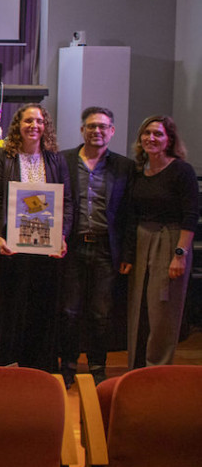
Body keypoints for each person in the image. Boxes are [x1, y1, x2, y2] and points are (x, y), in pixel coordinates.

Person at [0, 103, 72, 371]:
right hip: (13, 245)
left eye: (39, 121)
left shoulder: (56, 159)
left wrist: (62, 235)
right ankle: (11, 364)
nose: (34, 126)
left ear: (45, 126)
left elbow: (67, 201)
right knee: (14, 305)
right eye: (28, 121)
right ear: (17, 125)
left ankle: (42, 366)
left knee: (44, 305)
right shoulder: (4, 157)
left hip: (47, 248)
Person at [58, 107, 134, 384]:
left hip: (106, 248)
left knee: (100, 314)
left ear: (112, 131)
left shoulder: (125, 166)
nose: (97, 131)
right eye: (91, 126)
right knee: (69, 311)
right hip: (72, 247)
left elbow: (129, 213)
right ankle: (67, 367)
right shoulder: (63, 160)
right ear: (82, 130)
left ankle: (98, 369)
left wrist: (127, 253)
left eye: (103, 127)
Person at [121, 115, 197, 368]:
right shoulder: (138, 171)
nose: (151, 138)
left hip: (170, 240)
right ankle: (136, 370)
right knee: (138, 309)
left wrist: (180, 254)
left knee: (163, 310)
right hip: (143, 240)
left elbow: (190, 216)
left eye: (158, 134)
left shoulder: (181, 170)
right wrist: (129, 255)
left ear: (169, 140)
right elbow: (131, 215)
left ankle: (158, 370)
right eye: (147, 133)